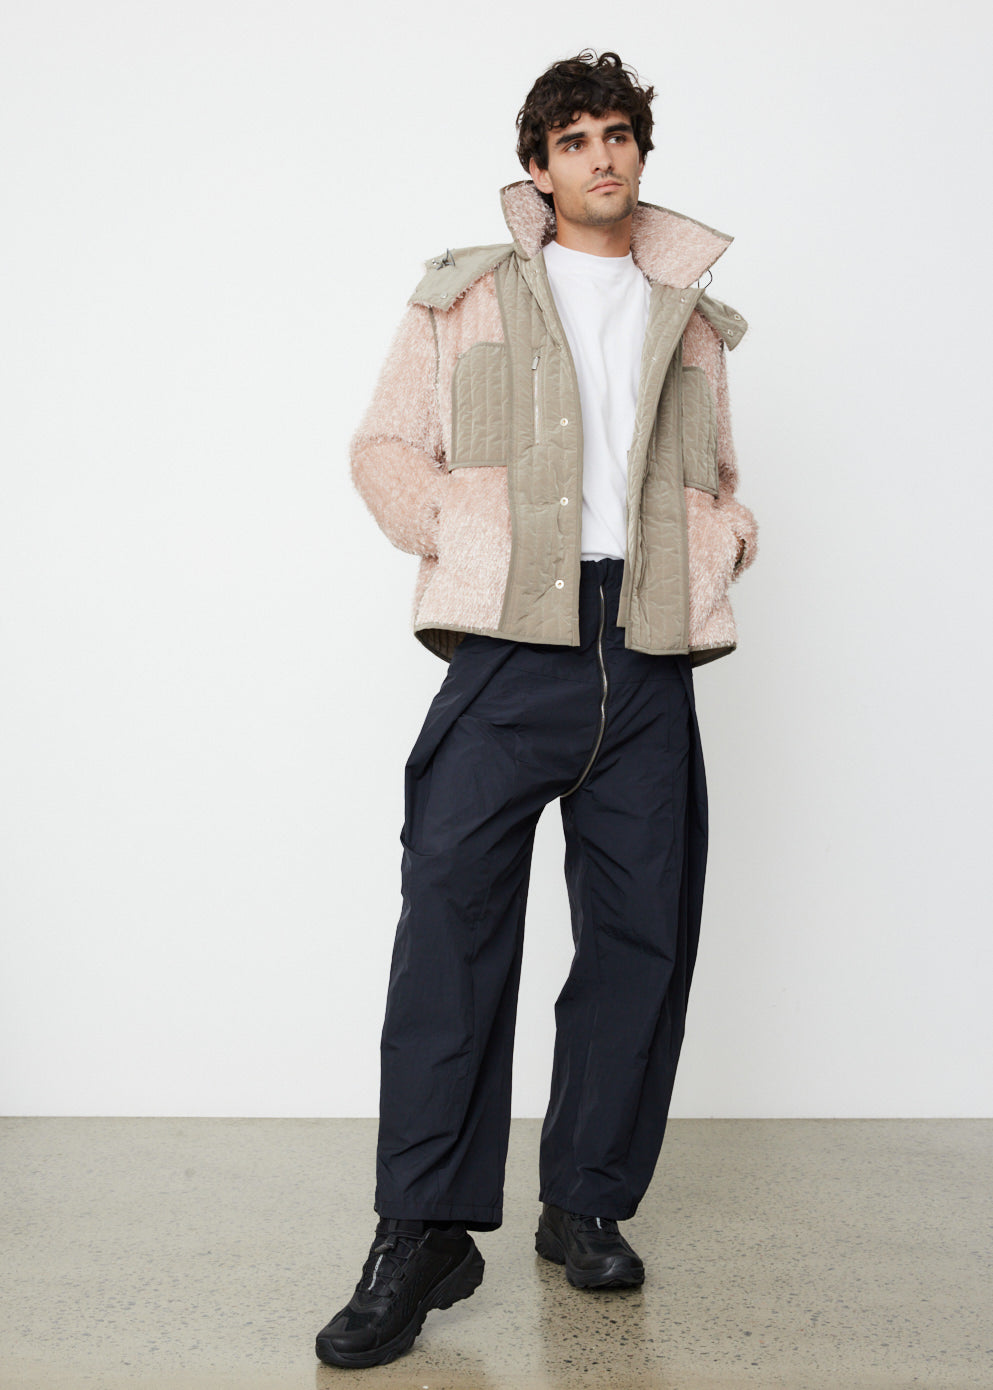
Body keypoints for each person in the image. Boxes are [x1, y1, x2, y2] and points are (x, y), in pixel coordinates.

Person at [315, 49, 758, 1370]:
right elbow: (383, 447)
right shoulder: (464, 296)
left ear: (639, 154)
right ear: (538, 164)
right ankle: (421, 1229)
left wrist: (722, 539)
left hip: (649, 646)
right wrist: (463, 528)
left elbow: (721, 475)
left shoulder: (687, 312)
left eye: (618, 134)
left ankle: (587, 1199)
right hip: (513, 644)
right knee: (449, 930)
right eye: (574, 139)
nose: (600, 156)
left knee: (640, 937)